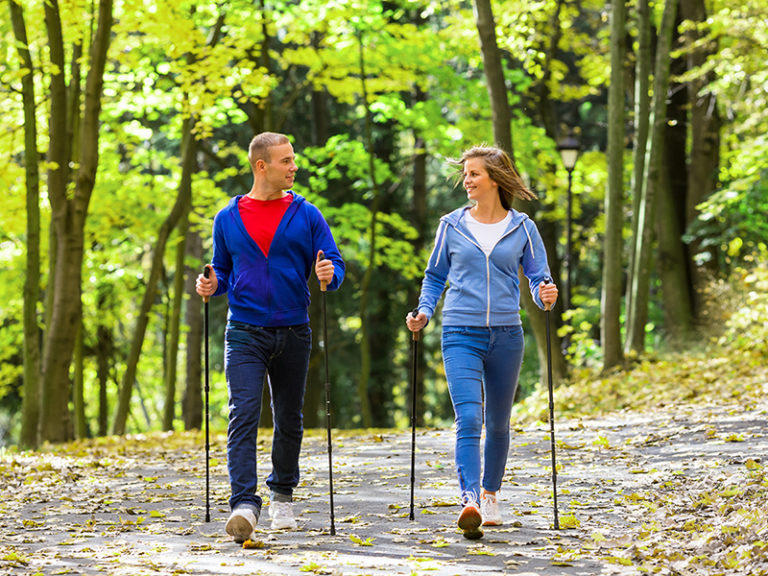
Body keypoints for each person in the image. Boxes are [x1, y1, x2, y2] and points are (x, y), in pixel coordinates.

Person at [196, 132, 344, 542]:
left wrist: (329, 275)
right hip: (244, 329)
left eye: (293, 159)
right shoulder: (227, 218)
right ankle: (244, 503)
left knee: (289, 417)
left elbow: (333, 260)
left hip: (294, 329)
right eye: (286, 161)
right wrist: (211, 285)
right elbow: (222, 270)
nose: (294, 166)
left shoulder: (307, 214)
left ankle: (282, 493)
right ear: (261, 166)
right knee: (242, 414)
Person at [406, 145, 558, 540]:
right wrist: (424, 310)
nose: (467, 180)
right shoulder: (451, 225)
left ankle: (491, 495)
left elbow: (539, 274)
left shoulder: (522, 227)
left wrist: (546, 291)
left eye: (474, 174)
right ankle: (469, 498)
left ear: (495, 178)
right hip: (460, 332)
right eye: (466, 174)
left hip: (507, 334)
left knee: (499, 424)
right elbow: (435, 275)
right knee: (470, 419)